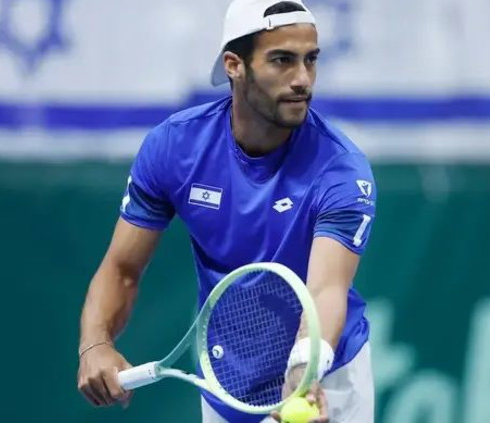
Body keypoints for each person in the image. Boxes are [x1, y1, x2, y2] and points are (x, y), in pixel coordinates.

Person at [76, 1, 377, 422]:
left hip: (324, 381)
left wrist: (302, 372)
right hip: (225, 383)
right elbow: (122, 268)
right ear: (234, 65)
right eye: (282, 61)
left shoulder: (342, 169)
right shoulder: (174, 148)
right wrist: (94, 343)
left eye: (310, 60)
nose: (302, 79)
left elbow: (326, 291)